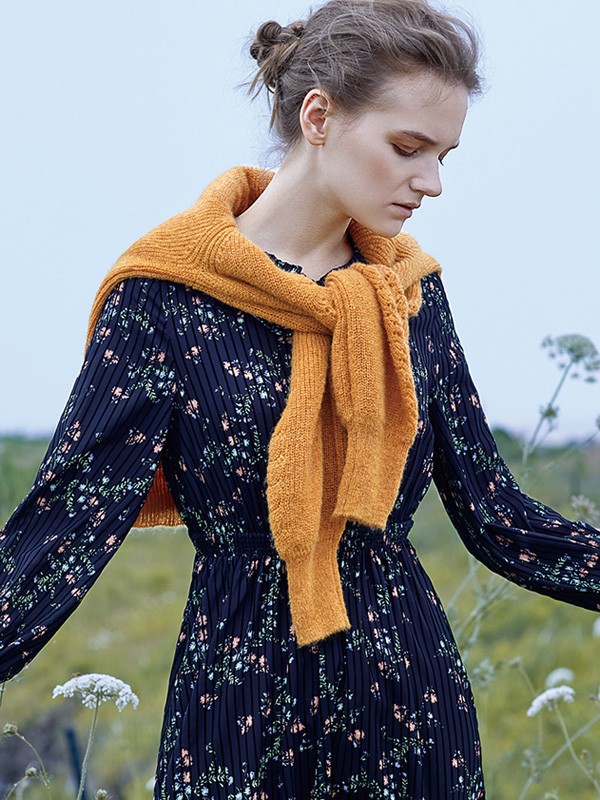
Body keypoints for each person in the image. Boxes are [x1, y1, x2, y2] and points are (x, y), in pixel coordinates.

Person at [1, 0, 599, 797]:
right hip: (235, 703)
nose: (432, 183)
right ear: (319, 117)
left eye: (444, 155)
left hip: (408, 698)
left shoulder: (409, 295)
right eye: (408, 148)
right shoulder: (166, 297)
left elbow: (497, 516)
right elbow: (67, 526)